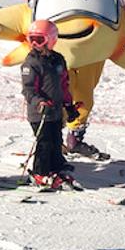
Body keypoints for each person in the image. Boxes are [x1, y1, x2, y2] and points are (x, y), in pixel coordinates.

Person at [20, 19, 79, 190]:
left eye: (39, 40)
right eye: (31, 40)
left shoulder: (58, 60)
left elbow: (63, 85)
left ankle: (56, 169)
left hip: (55, 111)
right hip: (40, 112)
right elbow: (28, 90)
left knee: (56, 140)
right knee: (44, 142)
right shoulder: (31, 63)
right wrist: (40, 102)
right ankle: (40, 172)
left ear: (51, 39)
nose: (35, 44)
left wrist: (69, 105)